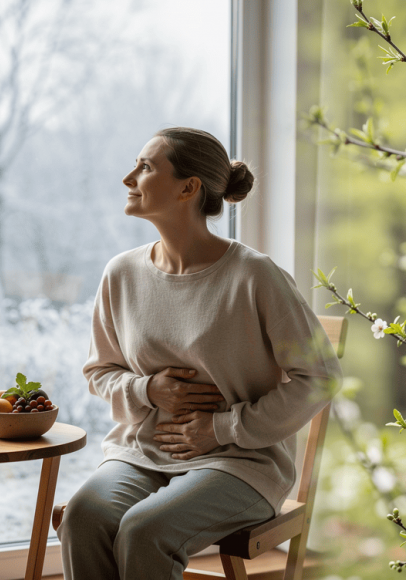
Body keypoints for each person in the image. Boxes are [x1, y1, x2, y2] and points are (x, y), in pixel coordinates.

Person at [56, 127, 343, 580]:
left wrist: (222, 428)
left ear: (189, 188)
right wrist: (148, 389)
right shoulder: (122, 274)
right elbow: (100, 371)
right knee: (82, 518)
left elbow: (320, 377)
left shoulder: (255, 276)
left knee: (144, 530)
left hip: (241, 463)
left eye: (146, 167)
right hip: (140, 453)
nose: (129, 178)